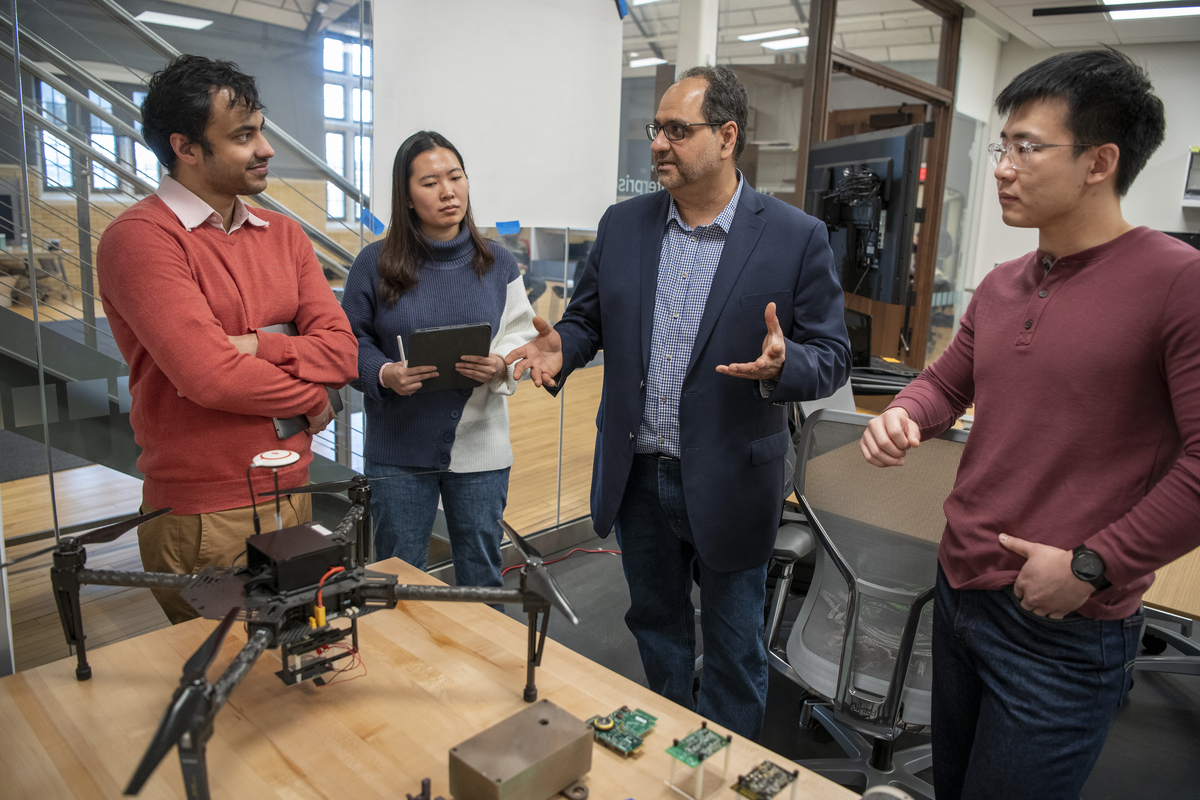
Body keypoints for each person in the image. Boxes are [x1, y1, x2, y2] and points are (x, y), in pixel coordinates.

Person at [860, 50, 1200, 799]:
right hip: (959, 590)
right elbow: (948, 381)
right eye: (1002, 146)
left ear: (1099, 162)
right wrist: (904, 414)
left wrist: (1091, 565)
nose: (1003, 168)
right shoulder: (1005, 283)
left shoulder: (1177, 282)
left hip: (1066, 627)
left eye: (1027, 147)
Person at [506, 66, 850, 739]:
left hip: (732, 477)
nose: (658, 143)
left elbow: (832, 356)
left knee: (733, 648)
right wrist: (562, 350)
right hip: (639, 476)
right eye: (654, 129)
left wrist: (788, 364)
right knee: (656, 631)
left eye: (676, 130)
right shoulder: (624, 225)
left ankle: (727, 771)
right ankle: (669, 751)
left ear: (727, 137)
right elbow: (587, 320)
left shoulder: (794, 237)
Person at [96, 55, 358, 624]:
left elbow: (342, 351)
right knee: (226, 685)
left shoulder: (283, 233)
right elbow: (210, 375)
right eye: (243, 136)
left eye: (260, 130)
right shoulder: (141, 239)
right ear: (186, 148)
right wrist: (312, 397)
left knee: (294, 663)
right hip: (206, 512)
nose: (265, 149)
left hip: (292, 488)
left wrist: (262, 346)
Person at [341, 131, 537, 591]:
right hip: (399, 450)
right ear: (406, 197)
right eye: (430, 182)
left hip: (483, 449)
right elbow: (348, 340)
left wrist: (501, 365)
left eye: (456, 177)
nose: (448, 191)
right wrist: (383, 373)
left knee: (482, 574)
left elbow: (519, 333)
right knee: (397, 576)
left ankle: (484, 665)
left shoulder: (499, 262)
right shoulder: (373, 264)